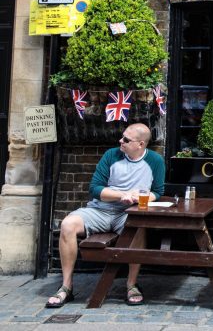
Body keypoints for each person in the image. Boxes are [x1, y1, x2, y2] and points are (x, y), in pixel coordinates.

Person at [45, 123, 165, 308]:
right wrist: (121, 195)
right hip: (100, 210)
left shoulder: (155, 161)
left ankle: (131, 284)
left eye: (126, 139)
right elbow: (95, 188)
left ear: (140, 144)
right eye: (122, 136)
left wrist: (138, 197)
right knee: (68, 224)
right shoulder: (111, 155)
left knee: (138, 229)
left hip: (128, 213)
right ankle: (66, 287)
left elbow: (157, 191)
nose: (121, 141)